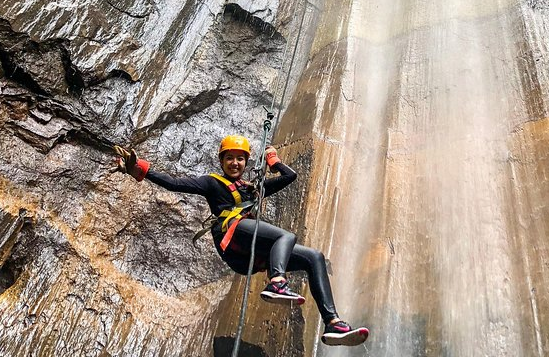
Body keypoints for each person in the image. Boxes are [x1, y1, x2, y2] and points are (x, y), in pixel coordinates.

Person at [114, 135, 369, 347]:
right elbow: (174, 183)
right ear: (222, 160)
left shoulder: (251, 188)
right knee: (285, 236)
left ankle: (333, 322)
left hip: (251, 249)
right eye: (229, 158)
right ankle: (277, 282)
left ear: (246, 162)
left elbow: (289, 177)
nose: (235, 163)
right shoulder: (212, 183)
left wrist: (275, 161)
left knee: (314, 257)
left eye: (240, 158)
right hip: (232, 237)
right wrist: (141, 170)